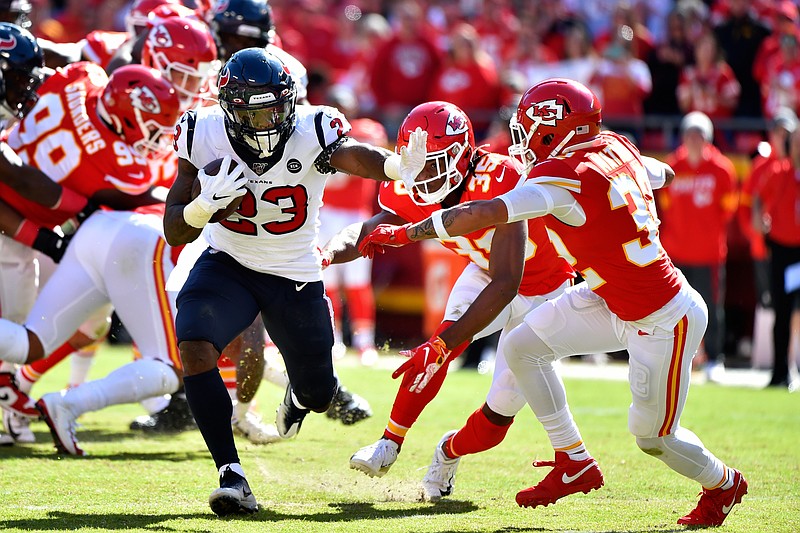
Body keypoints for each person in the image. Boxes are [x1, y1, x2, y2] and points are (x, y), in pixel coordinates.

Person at [359, 78, 748, 528]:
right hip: (608, 298)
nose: (522, 140)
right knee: (522, 346)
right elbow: (665, 173)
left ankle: (723, 483)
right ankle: (573, 459)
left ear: (552, 128)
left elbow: (482, 212)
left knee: (654, 438)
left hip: (662, 317)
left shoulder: (563, 177)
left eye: (527, 129)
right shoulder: (615, 147)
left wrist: (405, 232)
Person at [163, 47, 404, 516]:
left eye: (279, 106)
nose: (273, 120)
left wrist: (397, 166)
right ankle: (231, 474)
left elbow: (354, 157)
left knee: (317, 392)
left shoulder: (314, 126)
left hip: (293, 270)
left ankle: (298, 392)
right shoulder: (202, 132)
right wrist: (201, 207)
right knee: (193, 346)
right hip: (229, 261)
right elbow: (175, 228)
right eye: (259, 111)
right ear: (231, 111)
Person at [322, 100, 574, 501]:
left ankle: (447, 452)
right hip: (484, 271)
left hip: (543, 287)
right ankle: (389, 442)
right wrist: (328, 252)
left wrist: (445, 341)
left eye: (432, 163)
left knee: (500, 411)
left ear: (461, 155)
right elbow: (371, 229)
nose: (421, 176)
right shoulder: (411, 183)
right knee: (433, 352)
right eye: (416, 163)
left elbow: (509, 282)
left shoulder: (501, 177)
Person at [658, 111, 738, 383]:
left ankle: (715, 358)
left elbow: (727, 210)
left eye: (699, 135)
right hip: (676, 252)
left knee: (712, 307)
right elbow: (665, 208)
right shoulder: (672, 166)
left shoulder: (722, 168)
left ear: (708, 139)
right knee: (673, 308)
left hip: (708, 254)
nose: (693, 140)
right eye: (689, 134)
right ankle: (676, 359)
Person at [751, 125, 800, 389]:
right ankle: (780, 371)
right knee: (781, 312)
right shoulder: (778, 172)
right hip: (782, 249)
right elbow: (758, 196)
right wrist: (759, 217)